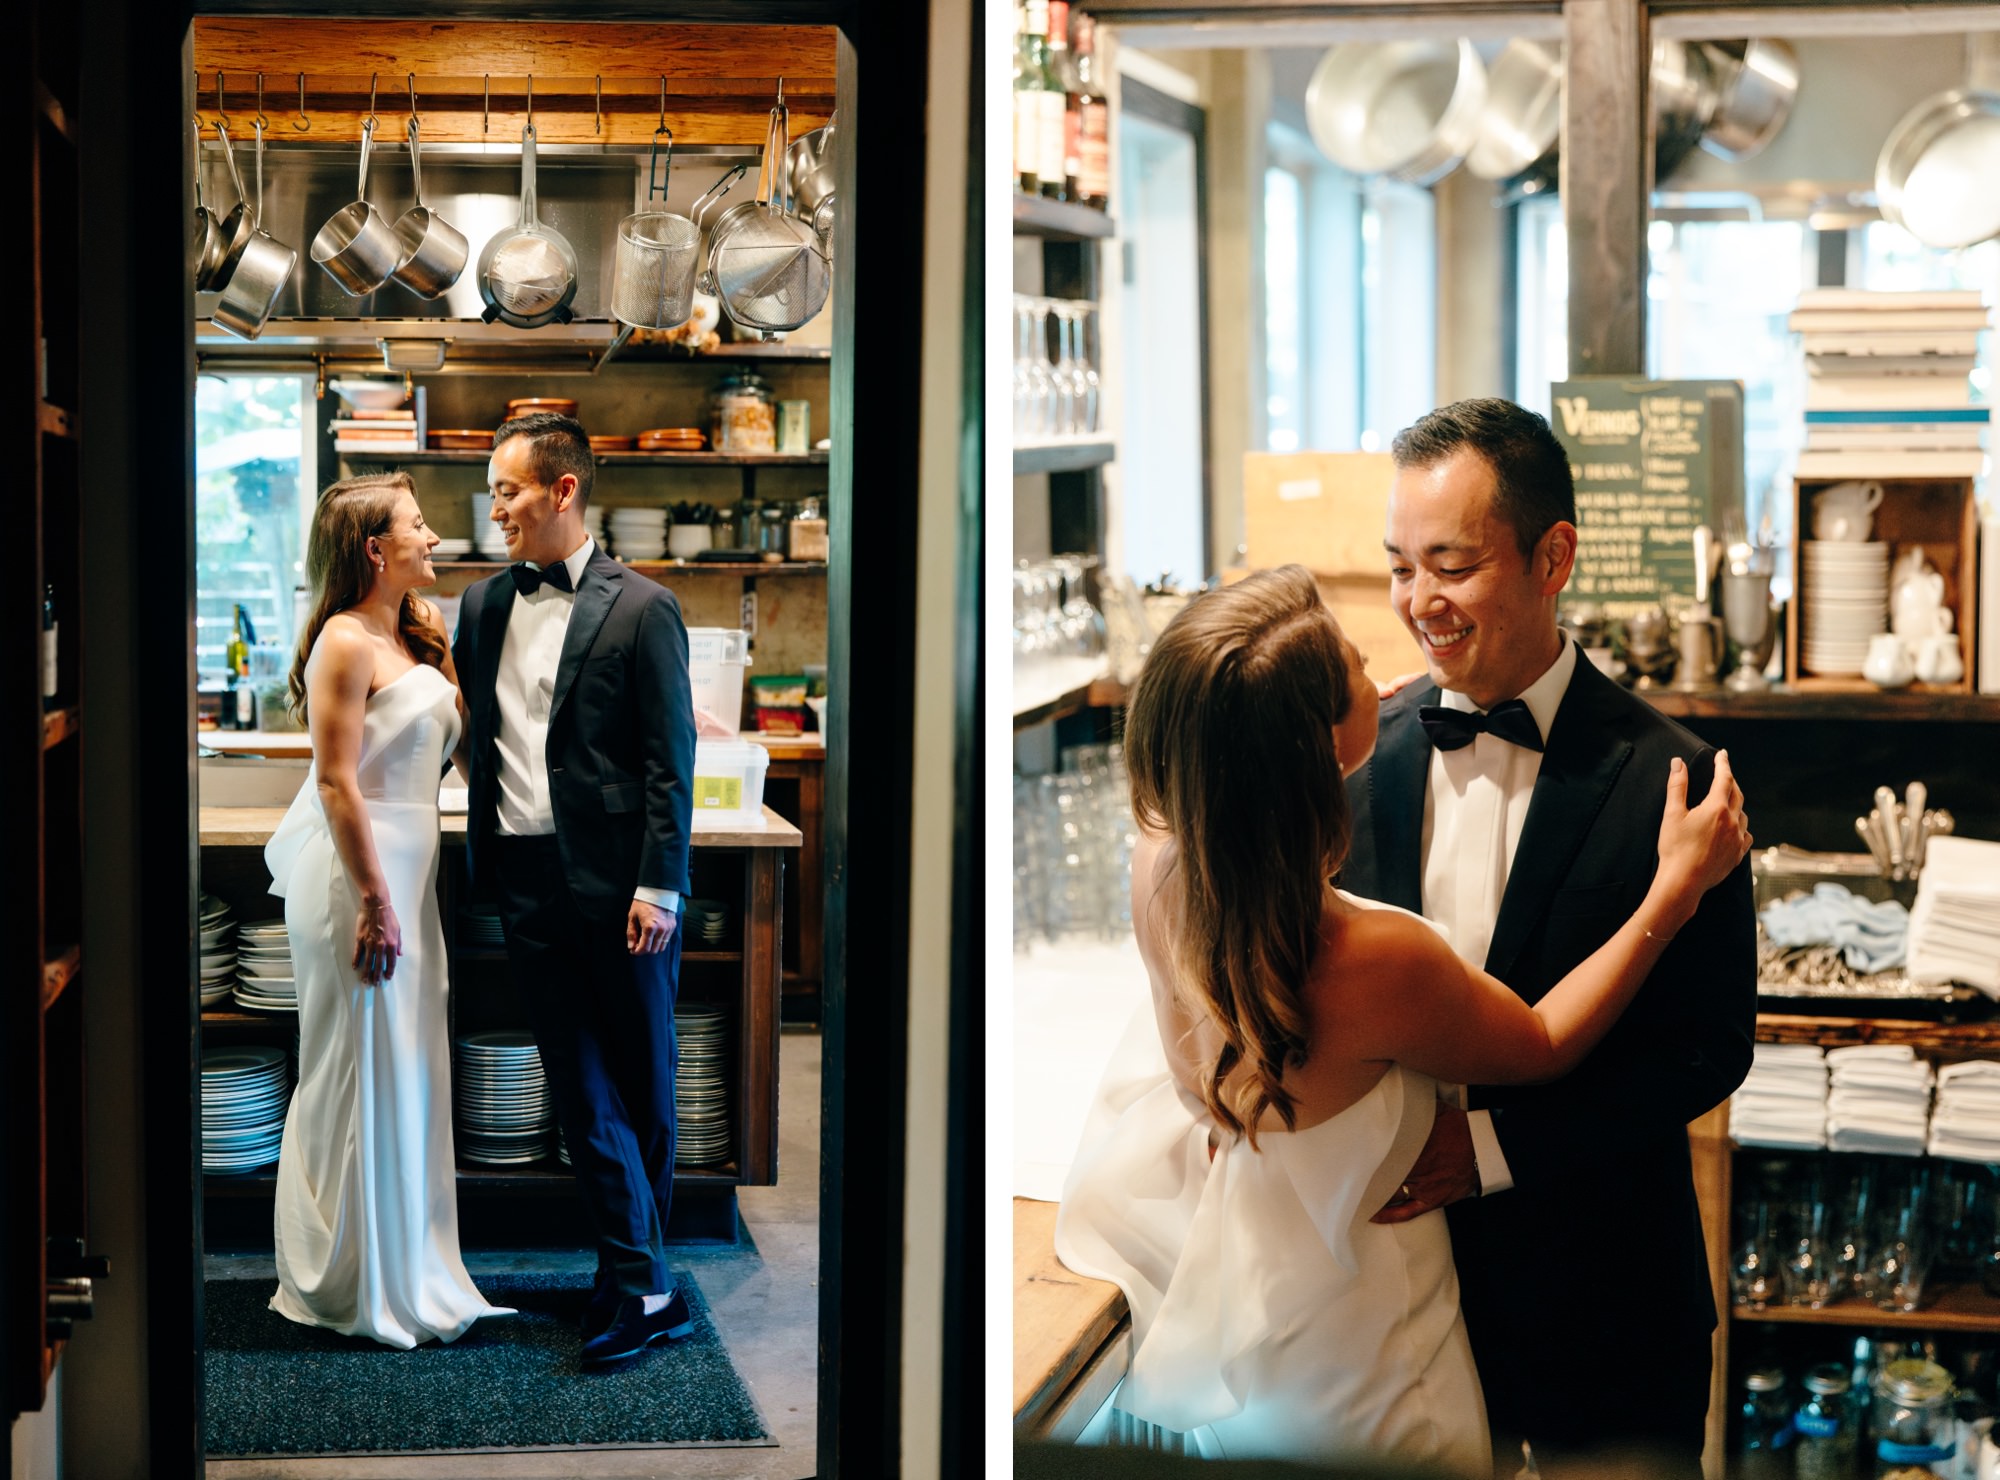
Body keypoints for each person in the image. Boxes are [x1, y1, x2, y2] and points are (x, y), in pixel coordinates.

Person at [1054, 563, 1750, 1473]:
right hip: (1379, 1340)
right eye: (1353, 662)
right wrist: (1673, 891)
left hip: (1261, 1316)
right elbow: (1539, 1043)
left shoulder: (1162, 863)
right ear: (1314, 748)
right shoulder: (1371, 955)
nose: (1398, 639)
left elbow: (1705, 1046)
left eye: (1451, 564)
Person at [1343, 398, 1758, 1477]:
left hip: (1610, 1301)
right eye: (1399, 567)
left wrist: (1485, 1153)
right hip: (1396, 1303)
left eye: (1450, 564)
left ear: (1551, 556)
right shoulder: (1354, 761)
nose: (1418, 602)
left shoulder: (1674, 778)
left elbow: (1707, 1046)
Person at [451, 412, 699, 1366]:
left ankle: (637, 1277)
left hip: (623, 887)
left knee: (643, 1082)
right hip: (522, 875)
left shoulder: (644, 607)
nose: (496, 506)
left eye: (508, 489)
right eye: (492, 491)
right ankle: (639, 1278)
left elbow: (669, 763)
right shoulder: (481, 605)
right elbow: (488, 731)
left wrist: (661, 886)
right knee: (578, 1083)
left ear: (563, 491)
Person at [265, 471, 513, 1348]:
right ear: (375, 549)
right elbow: (336, 779)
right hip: (360, 882)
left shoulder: (412, 633)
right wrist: (373, 898)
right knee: (351, 1064)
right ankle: (343, 1277)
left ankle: (412, 1263)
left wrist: (443, 656)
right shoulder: (342, 640)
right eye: (418, 525)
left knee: (408, 1066)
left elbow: (455, 747)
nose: (436, 536)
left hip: (412, 878)